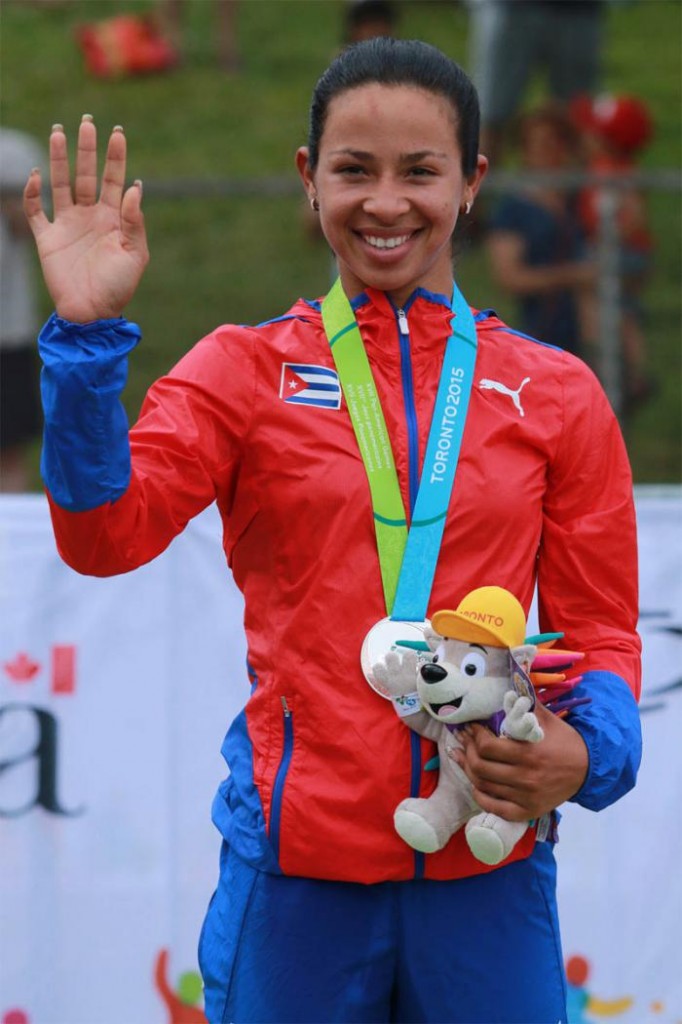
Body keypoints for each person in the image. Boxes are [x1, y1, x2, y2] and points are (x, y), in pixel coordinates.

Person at [23, 39, 641, 1024]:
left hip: (486, 867)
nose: (385, 203)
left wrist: (588, 753)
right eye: (354, 170)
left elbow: (601, 634)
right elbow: (102, 536)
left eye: (420, 171)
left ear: (471, 182)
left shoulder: (555, 393)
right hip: (296, 880)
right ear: (309, 180)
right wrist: (89, 342)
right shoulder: (242, 371)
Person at [485, 104, 596, 359]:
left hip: (590, 332)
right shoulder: (514, 209)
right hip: (542, 333)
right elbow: (509, 276)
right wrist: (572, 276)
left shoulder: (580, 198)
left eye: (559, 142)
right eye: (542, 144)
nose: (552, 152)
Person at [570, 92, 657, 414]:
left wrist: (608, 241)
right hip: (624, 251)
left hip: (623, 251)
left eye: (591, 131)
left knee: (599, 298)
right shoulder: (603, 166)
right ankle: (624, 369)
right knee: (623, 310)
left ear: (607, 140)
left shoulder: (612, 170)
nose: (584, 136)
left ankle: (605, 360)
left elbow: (634, 216)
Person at [465, 0, 605, 166]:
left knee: (579, 119)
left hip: (578, 10)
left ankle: (586, 191)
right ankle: (475, 188)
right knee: (487, 119)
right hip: (509, 7)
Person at [0, 126, 46, 492]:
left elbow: (37, 228)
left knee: (8, 449)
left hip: (6, 331)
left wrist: (13, 202)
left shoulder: (13, 152)